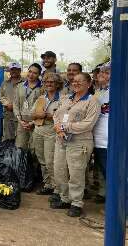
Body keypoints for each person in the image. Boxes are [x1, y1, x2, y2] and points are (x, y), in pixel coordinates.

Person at [51, 73, 100, 217]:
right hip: (61, 139)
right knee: (59, 170)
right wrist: (57, 127)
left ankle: (76, 203)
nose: (76, 83)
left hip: (79, 142)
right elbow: (56, 114)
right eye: (74, 81)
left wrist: (66, 127)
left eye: (80, 81)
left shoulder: (92, 101)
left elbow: (89, 123)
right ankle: (65, 198)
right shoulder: (67, 98)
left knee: (76, 173)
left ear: (89, 84)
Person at [31, 72, 63, 195]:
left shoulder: (62, 99)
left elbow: (65, 116)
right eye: (46, 82)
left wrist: (51, 116)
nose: (48, 84)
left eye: (52, 82)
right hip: (38, 130)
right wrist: (38, 115)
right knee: (42, 160)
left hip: (52, 131)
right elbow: (31, 114)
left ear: (57, 84)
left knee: (50, 161)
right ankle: (48, 184)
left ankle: (57, 187)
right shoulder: (41, 98)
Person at [92, 63, 110, 203]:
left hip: (110, 140)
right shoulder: (98, 92)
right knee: (104, 172)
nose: (102, 75)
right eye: (101, 72)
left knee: (113, 174)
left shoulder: (118, 90)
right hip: (98, 140)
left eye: (107, 72)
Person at [13, 63, 42, 150]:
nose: (31, 75)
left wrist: (32, 122)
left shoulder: (42, 88)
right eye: (30, 71)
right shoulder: (20, 86)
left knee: (35, 149)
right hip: (22, 122)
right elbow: (15, 104)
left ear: (39, 75)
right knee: (20, 147)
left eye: (35, 73)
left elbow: (43, 108)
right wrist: (20, 120)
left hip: (36, 123)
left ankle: (33, 164)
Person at [0, 62, 23, 141]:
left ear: (20, 70)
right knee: (8, 138)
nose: (13, 71)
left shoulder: (25, 83)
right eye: (12, 70)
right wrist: (7, 104)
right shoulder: (5, 83)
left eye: (16, 69)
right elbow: (1, 96)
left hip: (21, 115)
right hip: (8, 114)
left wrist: (15, 106)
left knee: (21, 138)